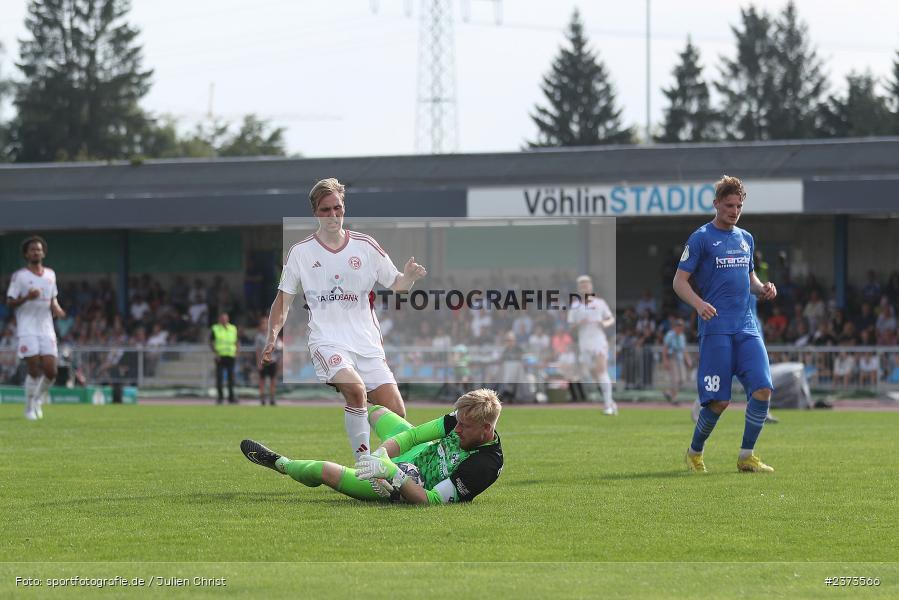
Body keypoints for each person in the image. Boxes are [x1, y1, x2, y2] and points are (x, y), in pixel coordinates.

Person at [260, 178, 427, 462]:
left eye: (337, 208)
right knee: (355, 389)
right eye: (326, 210)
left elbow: (397, 284)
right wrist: (273, 335)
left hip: (367, 344)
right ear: (315, 212)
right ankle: (363, 465)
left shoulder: (365, 246)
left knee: (397, 415)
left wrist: (408, 278)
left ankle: (391, 469)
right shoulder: (301, 252)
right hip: (328, 342)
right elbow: (283, 300)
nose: (333, 215)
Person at [673, 175, 777, 473]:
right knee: (718, 402)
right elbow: (679, 282)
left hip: (746, 327)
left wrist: (762, 289)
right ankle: (694, 452)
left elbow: (749, 277)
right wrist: (699, 303)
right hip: (716, 329)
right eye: (730, 205)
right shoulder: (701, 238)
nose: (735, 211)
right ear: (716, 204)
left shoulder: (746, 238)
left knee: (763, 389)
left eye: (739, 206)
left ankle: (746, 455)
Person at [241, 388, 503, 505]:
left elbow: (430, 500)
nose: (456, 430)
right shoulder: (460, 420)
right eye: (457, 422)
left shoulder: (484, 466)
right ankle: (352, 390)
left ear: (485, 429)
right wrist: (379, 455)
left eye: (464, 428)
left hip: (406, 484)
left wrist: (389, 472)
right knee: (374, 411)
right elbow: (412, 437)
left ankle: (279, 462)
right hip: (415, 456)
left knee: (324, 472)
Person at [5, 236, 65, 420]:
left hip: (46, 327)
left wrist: (56, 307)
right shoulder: (20, 276)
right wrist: (26, 298)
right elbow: (9, 302)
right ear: (26, 254)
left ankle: (38, 397)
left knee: (51, 371)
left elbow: (52, 297)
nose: (36, 252)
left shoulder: (50, 275)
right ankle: (29, 407)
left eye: (38, 249)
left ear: (43, 253)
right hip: (27, 327)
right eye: (32, 250)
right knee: (33, 368)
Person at [567, 275, 617, 415]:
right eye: (581, 284)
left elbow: (610, 318)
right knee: (592, 372)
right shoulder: (575, 306)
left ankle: (607, 406)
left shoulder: (600, 303)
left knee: (601, 370)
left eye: (586, 284)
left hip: (598, 341)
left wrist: (604, 323)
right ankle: (611, 401)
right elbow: (570, 327)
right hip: (584, 343)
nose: (584, 286)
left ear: (591, 286)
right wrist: (578, 324)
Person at [210, 312, 238, 404]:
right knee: (219, 378)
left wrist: (237, 352)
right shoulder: (215, 328)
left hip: (230, 355)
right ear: (219, 319)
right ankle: (220, 397)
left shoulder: (233, 328)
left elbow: (237, 341)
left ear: (228, 319)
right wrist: (215, 353)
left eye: (225, 318)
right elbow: (211, 342)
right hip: (220, 356)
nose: (224, 320)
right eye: (222, 318)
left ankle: (231, 397)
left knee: (231, 378)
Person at [662, 318, 691, 404]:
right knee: (675, 379)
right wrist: (665, 360)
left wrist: (688, 359)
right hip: (672, 357)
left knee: (682, 379)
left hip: (680, 358)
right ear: (675, 326)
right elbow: (665, 348)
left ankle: (669, 393)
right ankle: (673, 398)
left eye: (681, 326)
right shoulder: (670, 335)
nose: (680, 327)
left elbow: (684, 349)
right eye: (678, 325)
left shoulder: (682, 336)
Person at [254, 315, 279, 406]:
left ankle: (272, 398)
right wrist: (258, 363)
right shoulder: (259, 337)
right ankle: (262, 398)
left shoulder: (274, 334)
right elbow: (257, 351)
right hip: (263, 362)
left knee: (273, 380)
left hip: (272, 361)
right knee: (262, 380)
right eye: (263, 323)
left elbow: (277, 347)